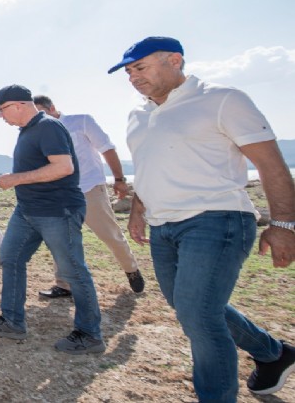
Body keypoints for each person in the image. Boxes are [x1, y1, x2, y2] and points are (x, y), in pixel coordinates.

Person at [109, 36, 295, 399]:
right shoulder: (138, 114)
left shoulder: (222, 99)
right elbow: (149, 166)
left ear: (174, 60)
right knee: (190, 305)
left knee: (199, 316)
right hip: (163, 227)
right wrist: (137, 209)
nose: (133, 77)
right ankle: (273, 354)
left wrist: (283, 224)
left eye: (140, 68)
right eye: (129, 72)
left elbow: (271, 164)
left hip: (216, 219)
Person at [0, 85, 105, 354]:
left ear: (18, 105)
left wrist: (15, 179)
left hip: (57, 211)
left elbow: (64, 167)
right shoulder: (27, 130)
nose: (0, 116)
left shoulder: (48, 127)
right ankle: (12, 321)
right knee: (10, 257)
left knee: (72, 271)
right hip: (27, 210)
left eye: (1, 110)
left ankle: (90, 334)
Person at [31, 95, 144, 298]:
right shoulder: (38, 134)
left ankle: (131, 269)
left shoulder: (81, 121)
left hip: (90, 188)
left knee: (110, 235)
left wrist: (119, 179)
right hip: (59, 194)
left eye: (41, 112)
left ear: (53, 108)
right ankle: (64, 285)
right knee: (60, 240)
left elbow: (107, 148)